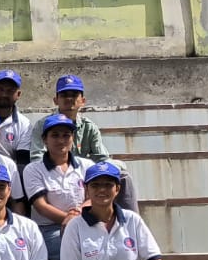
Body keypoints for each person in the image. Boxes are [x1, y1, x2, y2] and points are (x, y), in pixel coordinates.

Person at [28, 74, 139, 211]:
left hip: (84, 175)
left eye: (74, 95)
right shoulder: (42, 125)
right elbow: (37, 158)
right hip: (52, 174)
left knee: (122, 177)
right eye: (64, 95)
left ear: (83, 100)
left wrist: (117, 166)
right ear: (56, 100)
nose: (69, 99)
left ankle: (129, 220)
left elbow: (101, 158)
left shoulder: (89, 127)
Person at [23, 115, 88, 260]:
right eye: (55, 135)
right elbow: (41, 206)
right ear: (45, 140)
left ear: (73, 138)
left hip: (84, 224)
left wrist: (76, 216)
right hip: (50, 230)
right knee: (84, 249)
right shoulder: (33, 169)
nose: (61, 140)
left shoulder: (86, 165)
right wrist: (69, 219)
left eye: (66, 135)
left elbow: (92, 199)